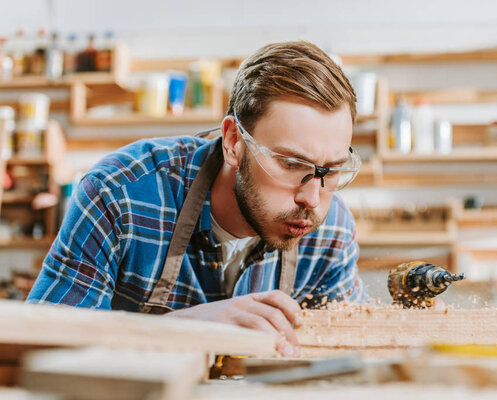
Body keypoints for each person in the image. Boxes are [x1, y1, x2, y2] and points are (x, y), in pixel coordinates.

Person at [27, 41, 368, 356]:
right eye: (291, 164)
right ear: (234, 141)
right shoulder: (121, 193)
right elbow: (36, 346)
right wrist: (179, 331)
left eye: (332, 170)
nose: (312, 198)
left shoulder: (330, 231)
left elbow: (351, 354)